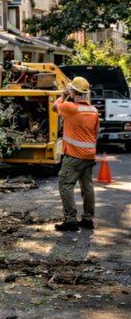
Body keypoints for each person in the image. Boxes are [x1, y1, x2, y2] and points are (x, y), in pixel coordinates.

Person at [53, 76, 99, 231]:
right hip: (89, 155)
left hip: (74, 155)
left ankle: (70, 220)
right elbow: (96, 133)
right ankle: (88, 219)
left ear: (73, 92)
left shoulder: (70, 107)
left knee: (65, 184)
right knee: (87, 186)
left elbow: (55, 107)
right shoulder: (93, 110)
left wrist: (64, 94)